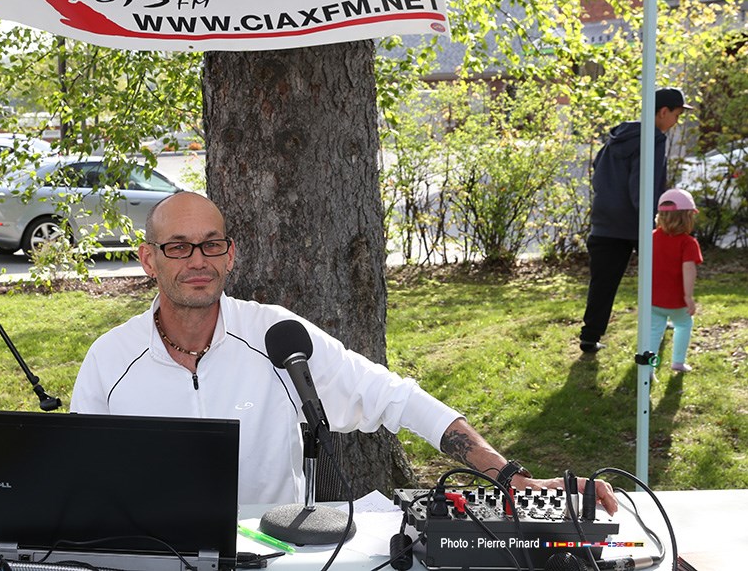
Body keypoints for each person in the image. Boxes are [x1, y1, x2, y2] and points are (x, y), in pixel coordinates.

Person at [71, 191, 617, 513]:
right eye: (178, 247)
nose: (198, 259)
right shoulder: (109, 360)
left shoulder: (278, 338)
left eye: (212, 244)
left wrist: (511, 477)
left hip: (275, 557)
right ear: (148, 260)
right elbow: (80, 484)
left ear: (230, 254)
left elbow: (397, 399)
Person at [578, 87, 691, 354]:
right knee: (661, 274)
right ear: (663, 112)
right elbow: (642, 183)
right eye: (676, 114)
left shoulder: (617, 137)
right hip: (636, 222)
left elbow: (597, 171)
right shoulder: (653, 138)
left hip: (605, 221)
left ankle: (589, 337)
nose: (676, 121)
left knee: (603, 283)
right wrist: (654, 219)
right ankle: (664, 323)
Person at [649, 189, 703, 374]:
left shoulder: (651, 237)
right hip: (676, 301)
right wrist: (688, 296)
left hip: (653, 299)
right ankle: (678, 362)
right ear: (687, 217)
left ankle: (648, 369)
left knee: (654, 333)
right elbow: (689, 269)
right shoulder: (688, 243)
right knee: (683, 325)